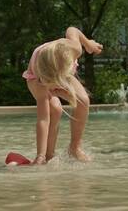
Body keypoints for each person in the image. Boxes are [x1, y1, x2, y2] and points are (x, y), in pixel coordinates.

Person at [23, 27, 103, 164]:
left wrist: (88, 44)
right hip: (36, 79)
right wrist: (39, 156)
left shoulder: (74, 49)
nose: (54, 88)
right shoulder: (40, 76)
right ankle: (47, 155)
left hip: (61, 72)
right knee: (55, 109)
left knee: (83, 101)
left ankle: (74, 148)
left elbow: (72, 30)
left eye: (55, 85)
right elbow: (43, 120)